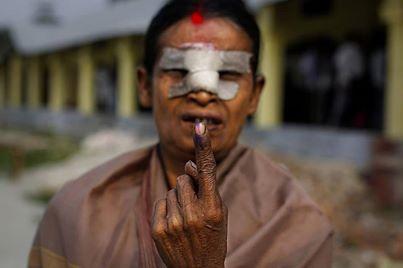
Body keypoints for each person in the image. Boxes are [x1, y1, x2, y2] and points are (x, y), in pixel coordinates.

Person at [28, 0, 333, 267]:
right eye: (179, 71)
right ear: (145, 86)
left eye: (227, 74)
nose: (202, 93)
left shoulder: (298, 225)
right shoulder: (77, 211)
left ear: (255, 93)